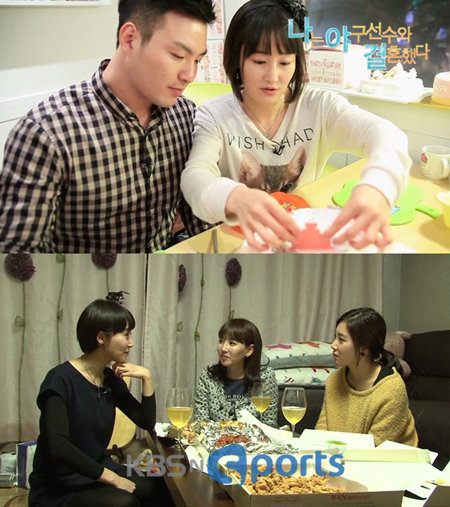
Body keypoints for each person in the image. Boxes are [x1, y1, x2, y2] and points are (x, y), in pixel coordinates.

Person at [181, 0, 411, 251]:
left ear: (297, 61)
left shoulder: (320, 107)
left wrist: (377, 188)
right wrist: (235, 197)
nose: (273, 76)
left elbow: (388, 136)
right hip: (240, 243)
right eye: (259, 61)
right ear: (238, 60)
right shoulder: (214, 115)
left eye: (284, 63)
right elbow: (195, 177)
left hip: (302, 240)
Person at [0, 0, 216, 253]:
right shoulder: (46, 134)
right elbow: (19, 263)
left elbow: (200, 221)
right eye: (177, 56)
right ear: (130, 38)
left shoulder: (184, 115)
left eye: (197, 60)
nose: (189, 75)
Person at [28, 299, 170, 507]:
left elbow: (145, 421)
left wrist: (147, 377)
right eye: (126, 334)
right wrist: (112, 478)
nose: (131, 343)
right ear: (101, 338)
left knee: (160, 487)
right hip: (59, 484)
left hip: (96, 468)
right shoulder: (60, 379)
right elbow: (59, 447)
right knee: (124, 502)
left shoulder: (109, 378)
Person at [315, 308, 418, 446]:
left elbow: (375, 446)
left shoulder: (391, 389)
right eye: (335, 337)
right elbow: (322, 429)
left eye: (341, 340)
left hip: (390, 457)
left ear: (364, 348)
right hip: (342, 455)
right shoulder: (335, 379)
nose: (333, 345)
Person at [194, 318, 279, 427]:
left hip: (255, 438)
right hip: (216, 438)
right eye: (221, 341)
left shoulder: (265, 378)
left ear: (249, 350)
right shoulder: (208, 377)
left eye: (232, 343)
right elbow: (201, 424)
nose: (223, 348)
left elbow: (269, 424)